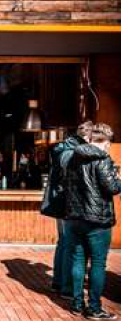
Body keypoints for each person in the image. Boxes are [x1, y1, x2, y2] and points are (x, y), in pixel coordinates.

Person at [65, 123, 121, 320]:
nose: (108, 148)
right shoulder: (103, 159)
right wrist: (118, 177)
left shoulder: (73, 157)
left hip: (74, 218)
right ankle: (95, 308)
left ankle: (77, 304)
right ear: (103, 141)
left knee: (78, 260)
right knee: (98, 263)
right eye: (108, 144)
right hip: (97, 220)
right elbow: (112, 188)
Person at [41, 121, 93, 299]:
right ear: (86, 137)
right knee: (70, 244)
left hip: (60, 201)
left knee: (63, 242)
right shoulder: (73, 151)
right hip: (68, 202)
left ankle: (58, 282)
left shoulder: (62, 147)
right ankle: (66, 287)